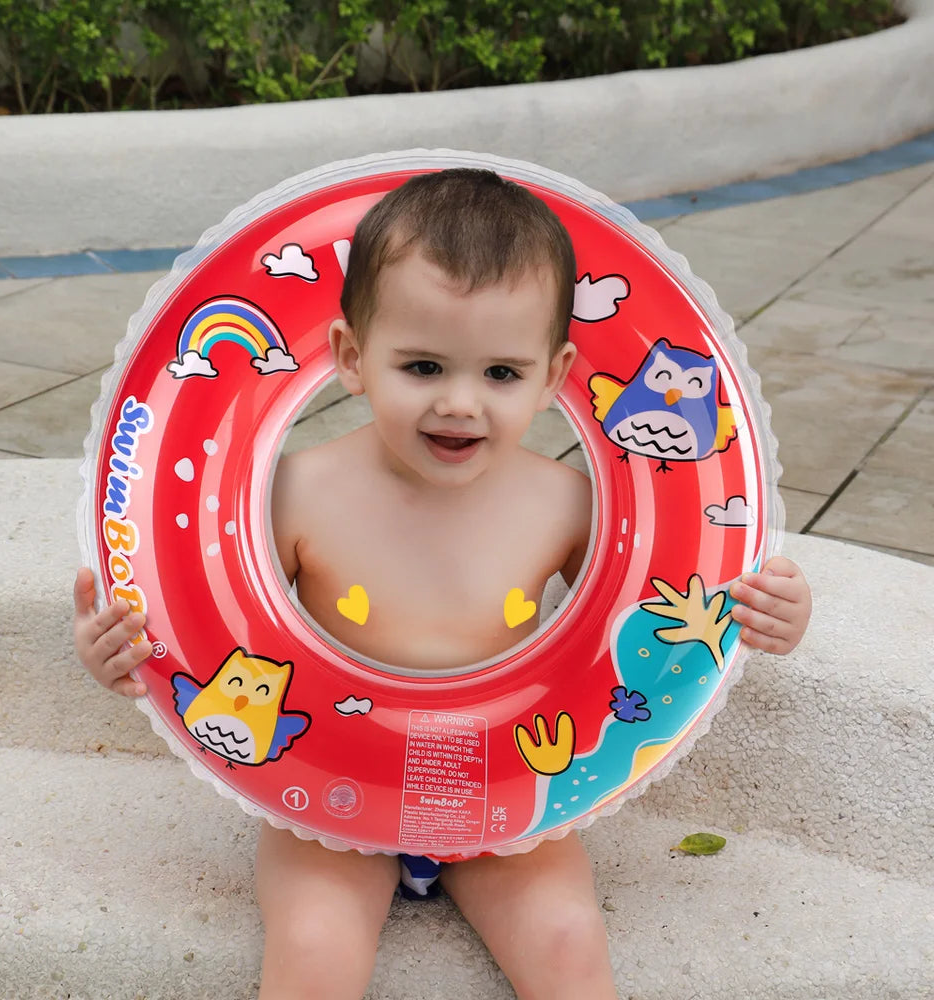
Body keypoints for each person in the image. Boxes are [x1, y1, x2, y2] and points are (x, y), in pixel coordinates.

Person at [73, 168, 812, 999]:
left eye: (501, 373)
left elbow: (667, 611)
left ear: (555, 374)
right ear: (351, 358)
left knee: (568, 939)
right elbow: (209, 629)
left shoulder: (568, 503)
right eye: (423, 366)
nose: (460, 403)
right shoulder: (293, 493)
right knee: (314, 946)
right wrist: (124, 654)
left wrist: (771, 614)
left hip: (507, 791)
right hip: (324, 795)